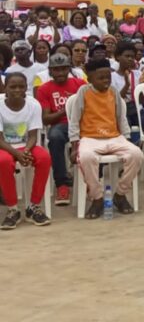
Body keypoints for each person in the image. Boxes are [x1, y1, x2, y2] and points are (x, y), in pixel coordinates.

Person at [68, 59, 144, 219]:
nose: (105, 81)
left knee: (136, 154)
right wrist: (75, 145)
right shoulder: (83, 91)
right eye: (101, 78)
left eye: (108, 77)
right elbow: (74, 120)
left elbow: (121, 117)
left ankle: (120, 194)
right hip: (90, 137)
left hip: (114, 136)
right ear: (90, 79)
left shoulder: (114, 92)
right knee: (87, 157)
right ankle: (97, 198)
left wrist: (127, 138)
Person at [0, 73, 52, 229]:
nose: (17, 90)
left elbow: (33, 136)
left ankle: (33, 206)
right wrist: (17, 154)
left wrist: (26, 151)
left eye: (21, 86)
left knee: (44, 157)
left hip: (26, 145)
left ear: (26, 88)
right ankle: (13, 209)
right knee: (3, 161)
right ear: (5, 88)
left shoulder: (33, 104)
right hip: (5, 146)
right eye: (12, 86)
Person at [36, 53, 87, 205]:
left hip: (82, 122)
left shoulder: (79, 84)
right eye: (56, 70)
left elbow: (89, 108)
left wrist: (75, 113)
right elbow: (46, 119)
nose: (60, 73)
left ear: (68, 69)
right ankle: (62, 184)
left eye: (63, 69)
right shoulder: (44, 89)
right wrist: (68, 108)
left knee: (96, 138)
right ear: (50, 71)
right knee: (55, 137)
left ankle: (91, 180)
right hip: (61, 125)